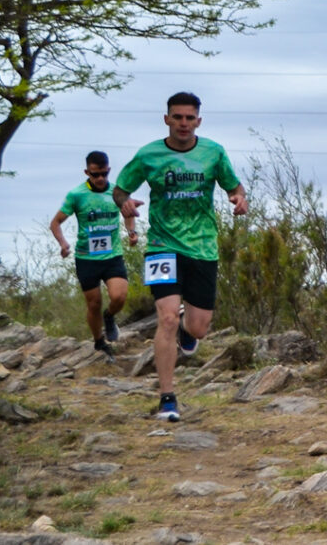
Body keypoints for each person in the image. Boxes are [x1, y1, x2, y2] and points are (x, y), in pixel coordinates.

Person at [113, 92, 248, 422]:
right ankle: (167, 398)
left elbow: (235, 186)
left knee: (198, 328)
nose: (184, 123)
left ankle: (190, 334)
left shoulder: (213, 152)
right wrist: (124, 204)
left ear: (198, 121)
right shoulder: (149, 155)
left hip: (202, 247)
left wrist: (239, 199)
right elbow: (120, 189)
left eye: (190, 118)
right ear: (167, 119)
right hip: (162, 245)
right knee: (168, 317)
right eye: (178, 117)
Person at [50, 151, 138, 362]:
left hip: (112, 256)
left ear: (108, 170)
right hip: (86, 258)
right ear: (87, 172)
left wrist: (132, 232)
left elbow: (128, 213)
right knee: (94, 303)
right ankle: (99, 342)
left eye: (103, 174)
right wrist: (63, 244)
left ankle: (109, 317)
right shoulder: (76, 195)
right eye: (95, 174)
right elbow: (55, 223)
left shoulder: (117, 192)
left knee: (119, 296)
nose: (100, 179)